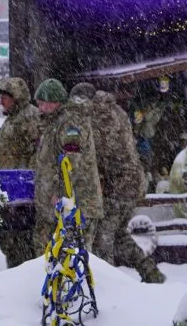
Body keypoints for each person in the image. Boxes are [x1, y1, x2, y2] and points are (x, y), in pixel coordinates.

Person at [70, 83, 166, 284]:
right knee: (120, 236)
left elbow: (97, 154)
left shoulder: (96, 117)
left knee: (101, 240)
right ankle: (151, 273)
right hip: (132, 181)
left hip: (119, 185)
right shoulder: (115, 110)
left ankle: (107, 287)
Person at [0, 77, 43, 267]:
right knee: (7, 237)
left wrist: (27, 179)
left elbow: (38, 152)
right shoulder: (11, 120)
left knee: (21, 240)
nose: (1, 101)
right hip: (9, 189)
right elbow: (1, 149)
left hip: (24, 195)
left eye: (5, 96)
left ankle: (23, 277)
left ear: (17, 97)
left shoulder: (30, 118)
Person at [32, 78, 103, 254]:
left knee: (74, 259)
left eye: (42, 103)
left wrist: (59, 192)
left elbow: (72, 162)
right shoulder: (55, 122)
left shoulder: (70, 122)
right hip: (62, 207)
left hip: (77, 204)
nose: (39, 108)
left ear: (54, 102)